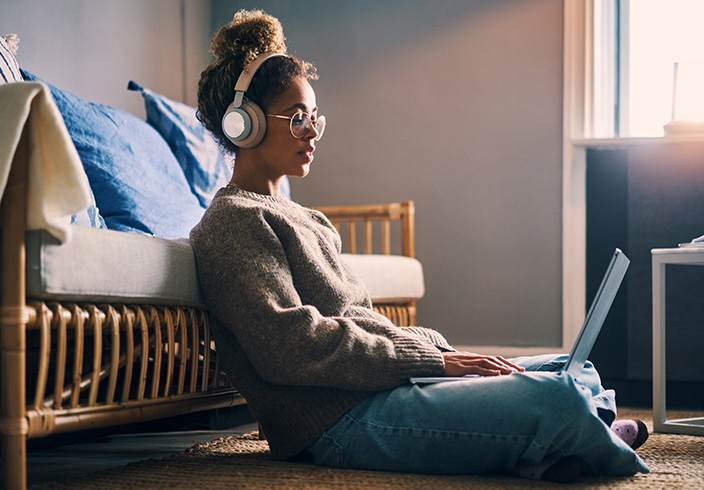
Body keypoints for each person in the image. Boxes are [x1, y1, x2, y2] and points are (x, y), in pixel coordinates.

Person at [191, 9, 649, 482]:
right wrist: (436, 363)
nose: (311, 131)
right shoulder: (233, 223)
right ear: (242, 125)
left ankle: (559, 449)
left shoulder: (307, 218)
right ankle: (581, 440)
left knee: (569, 367)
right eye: (297, 117)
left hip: (383, 385)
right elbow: (290, 348)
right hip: (336, 420)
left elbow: (358, 321)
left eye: (314, 117)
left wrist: (438, 356)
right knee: (556, 396)